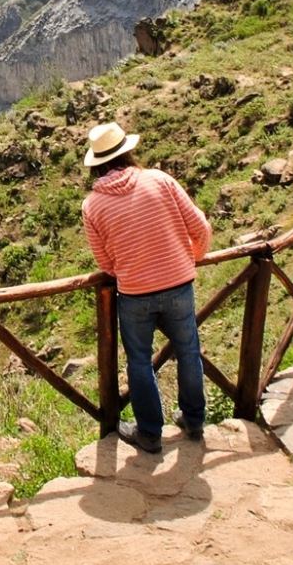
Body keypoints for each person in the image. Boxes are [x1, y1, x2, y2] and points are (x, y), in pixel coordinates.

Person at [81, 121, 211, 454]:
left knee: (140, 361)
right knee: (188, 351)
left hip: (135, 293)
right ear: (128, 152)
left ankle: (150, 433)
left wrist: (134, 269)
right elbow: (201, 228)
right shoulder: (160, 180)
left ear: (97, 164)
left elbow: (105, 263)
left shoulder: (92, 205)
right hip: (180, 285)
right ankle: (194, 421)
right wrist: (188, 259)